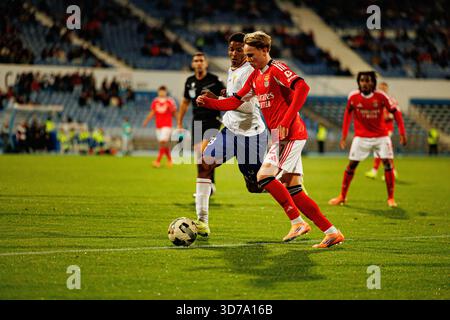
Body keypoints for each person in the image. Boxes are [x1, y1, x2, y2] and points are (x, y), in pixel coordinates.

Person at [197, 31, 344, 248]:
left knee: (264, 176)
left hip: (290, 135)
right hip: (278, 136)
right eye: (246, 56)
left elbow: (302, 88)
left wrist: (285, 120)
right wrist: (209, 103)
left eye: (251, 55)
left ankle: (297, 222)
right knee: (294, 190)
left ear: (265, 50)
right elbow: (235, 101)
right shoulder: (256, 77)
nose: (248, 59)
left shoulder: (277, 69)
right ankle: (331, 232)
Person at [193, 32, 268, 237]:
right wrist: (223, 96)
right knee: (204, 163)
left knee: (254, 187)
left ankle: (289, 188)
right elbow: (233, 97)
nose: (233, 53)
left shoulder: (251, 71)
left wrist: (215, 99)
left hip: (251, 135)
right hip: (230, 131)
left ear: (246, 51)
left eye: (238, 49)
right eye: (231, 49)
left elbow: (246, 108)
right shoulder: (232, 68)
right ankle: (202, 221)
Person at [328, 72, 407, 208]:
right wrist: (344, 136)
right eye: (362, 80)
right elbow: (347, 114)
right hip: (361, 137)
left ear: (373, 83)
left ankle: (391, 198)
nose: (365, 83)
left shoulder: (381, 96)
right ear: (359, 82)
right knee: (351, 165)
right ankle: (342, 196)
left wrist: (402, 133)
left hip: (381, 137)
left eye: (368, 81)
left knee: (388, 164)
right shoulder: (353, 97)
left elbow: (396, 112)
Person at [177, 52, 225, 193]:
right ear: (192, 64)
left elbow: (226, 98)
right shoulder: (189, 81)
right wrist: (179, 122)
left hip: (213, 120)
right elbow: (185, 102)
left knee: (204, 152)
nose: (198, 63)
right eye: (196, 60)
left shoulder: (215, 80)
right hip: (197, 121)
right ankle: (210, 184)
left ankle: (207, 186)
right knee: (200, 155)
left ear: (206, 64)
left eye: (201, 60)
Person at [365, 82, 399, 179]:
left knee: (384, 149)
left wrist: (388, 116)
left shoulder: (390, 100)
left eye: (384, 88)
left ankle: (386, 171)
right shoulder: (376, 99)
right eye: (380, 88)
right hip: (378, 128)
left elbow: (395, 113)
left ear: (387, 89)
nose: (382, 90)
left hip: (387, 128)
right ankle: (383, 171)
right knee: (380, 149)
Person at [142, 86, 177, 168]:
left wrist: (179, 122)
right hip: (158, 126)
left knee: (162, 142)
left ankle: (157, 161)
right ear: (158, 92)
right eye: (160, 91)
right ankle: (170, 161)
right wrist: (146, 120)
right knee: (164, 144)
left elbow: (174, 112)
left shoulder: (170, 101)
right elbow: (152, 112)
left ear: (166, 92)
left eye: (163, 91)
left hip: (167, 125)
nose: (161, 93)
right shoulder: (155, 101)